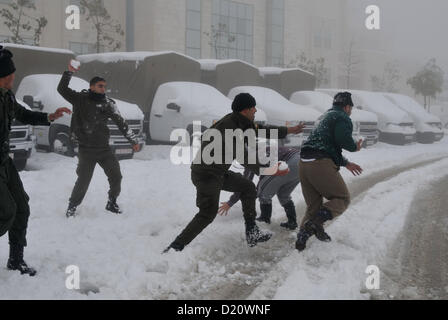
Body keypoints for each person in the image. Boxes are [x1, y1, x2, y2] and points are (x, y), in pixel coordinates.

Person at [164, 93, 305, 252]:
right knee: (207, 214)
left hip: (218, 172)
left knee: (248, 187)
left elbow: (262, 130)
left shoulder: (242, 122)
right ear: (246, 110)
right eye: (253, 108)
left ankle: (252, 232)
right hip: (206, 175)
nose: (256, 111)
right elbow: (245, 158)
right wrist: (271, 170)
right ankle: (176, 247)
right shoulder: (230, 127)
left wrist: (289, 130)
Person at [0, 46, 71, 276]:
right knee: (6, 211)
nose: (12, 79)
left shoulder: (7, 96)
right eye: (8, 76)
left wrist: (49, 117)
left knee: (21, 206)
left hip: (4, 160)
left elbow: (23, 114)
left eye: (12, 75)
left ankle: (15, 259)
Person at [58, 60, 140, 218]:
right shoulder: (80, 99)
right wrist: (69, 72)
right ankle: (72, 206)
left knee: (116, 176)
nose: (103, 89)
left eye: (104, 86)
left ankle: (112, 202)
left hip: (104, 149)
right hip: (86, 149)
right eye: (100, 86)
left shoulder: (108, 104)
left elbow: (121, 122)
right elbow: (61, 89)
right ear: (92, 87)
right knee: (83, 180)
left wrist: (133, 140)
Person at [295, 92, 363, 252]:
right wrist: (355, 147)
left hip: (304, 163)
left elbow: (325, 144)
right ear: (347, 107)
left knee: (313, 206)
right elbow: (342, 139)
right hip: (320, 163)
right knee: (342, 198)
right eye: (351, 108)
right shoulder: (342, 117)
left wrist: (346, 163)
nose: (350, 111)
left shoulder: (326, 116)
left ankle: (301, 240)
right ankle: (316, 223)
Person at [218, 145, 301, 230]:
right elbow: (264, 176)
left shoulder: (253, 157)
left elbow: (245, 182)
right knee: (283, 195)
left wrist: (230, 202)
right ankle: (292, 222)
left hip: (290, 162)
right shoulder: (263, 151)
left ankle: (264, 220)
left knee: (264, 194)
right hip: (301, 163)